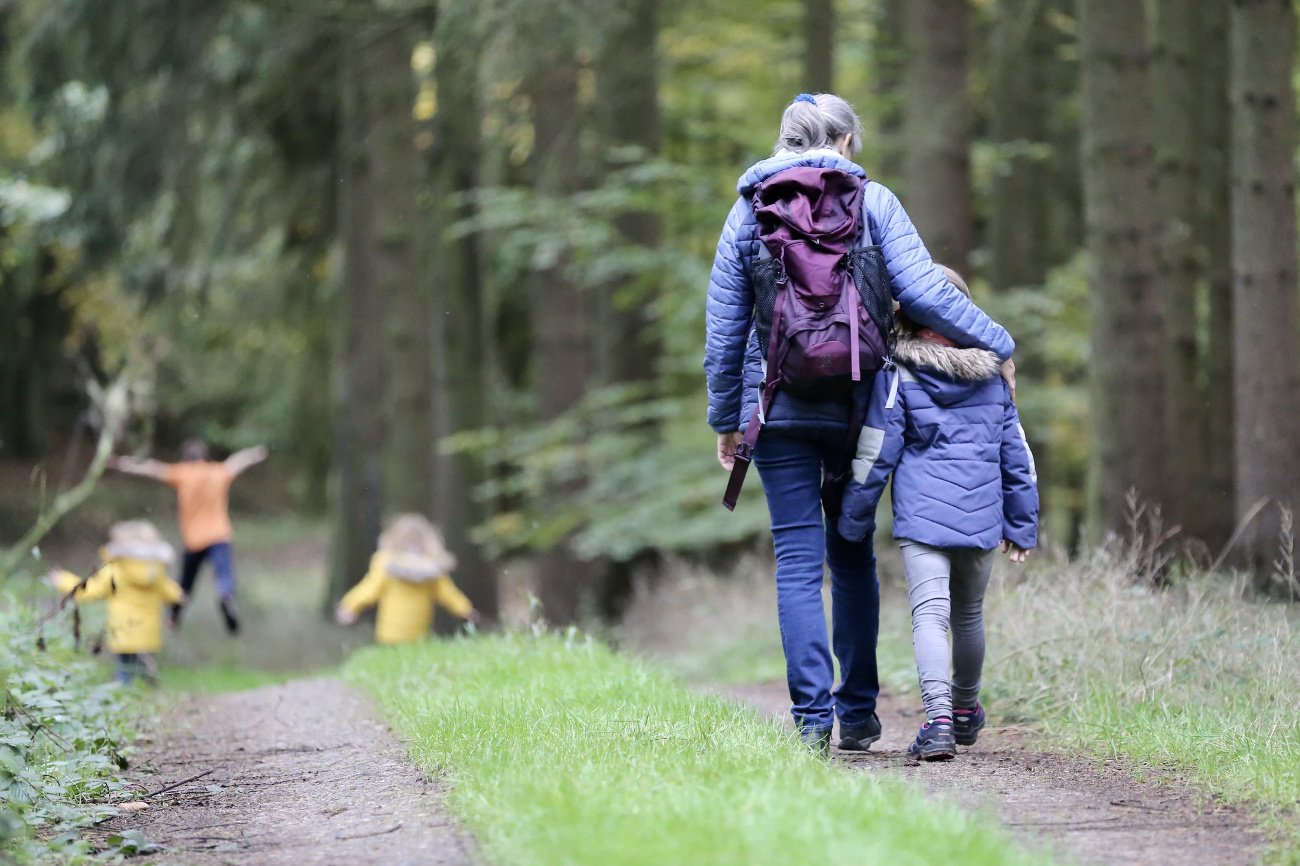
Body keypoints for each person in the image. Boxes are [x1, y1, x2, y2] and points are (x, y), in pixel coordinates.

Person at [704, 93, 1016, 755]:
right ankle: (860, 714)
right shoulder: (875, 202)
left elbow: (724, 331)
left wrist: (727, 420)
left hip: (778, 407)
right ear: (846, 142)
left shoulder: (747, 212)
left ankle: (812, 721)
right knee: (851, 554)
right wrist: (999, 344)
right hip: (861, 407)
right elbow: (928, 291)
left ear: (784, 141)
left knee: (795, 560)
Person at [838, 267, 1038, 761]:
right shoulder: (994, 376)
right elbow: (1018, 456)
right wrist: (1022, 523)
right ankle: (967, 710)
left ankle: (940, 721)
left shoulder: (899, 373)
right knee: (969, 615)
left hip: (923, 521)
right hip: (982, 515)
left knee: (931, 616)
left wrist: (853, 518)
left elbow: (876, 450)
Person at [108, 439, 268, 633]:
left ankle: (174, 618)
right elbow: (236, 462)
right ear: (204, 457)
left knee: (185, 583)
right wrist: (255, 453)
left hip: (194, 540)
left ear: (185, 458)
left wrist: (123, 463)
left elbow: (152, 468)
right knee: (224, 574)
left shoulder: (183, 474)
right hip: (219, 536)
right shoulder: (217, 472)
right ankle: (225, 597)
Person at [47, 520, 187, 685]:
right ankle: (146, 677)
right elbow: (169, 590)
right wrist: (179, 595)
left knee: (124, 666)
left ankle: (126, 688)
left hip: (124, 628)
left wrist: (63, 580)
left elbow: (89, 589)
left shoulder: (116, 569)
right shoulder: (155, 571)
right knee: (139, 658)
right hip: (148, 630)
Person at [334, 514, 481, 644]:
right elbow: (448, 593)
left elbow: (369, 588)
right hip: (419, 634)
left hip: (389, 634)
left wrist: (349, 606)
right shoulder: (432, 567)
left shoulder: (385, 562)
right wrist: (466, 609)